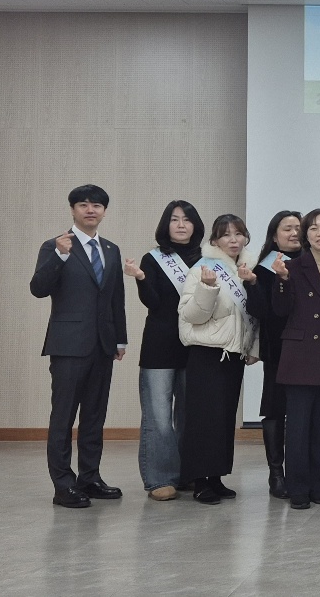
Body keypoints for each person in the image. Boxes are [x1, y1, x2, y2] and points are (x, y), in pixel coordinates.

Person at [29, 184, 128, 508]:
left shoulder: (111, 250)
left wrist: (120, 339)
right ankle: (63, 485)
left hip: (102, 345)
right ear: (72, 209)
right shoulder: (56, 245)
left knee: (94, 417)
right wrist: (59, 255)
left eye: (97, 205)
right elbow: (38, 288)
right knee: (63, 417)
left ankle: (90, 477)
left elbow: (116, 298)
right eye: (83, 204)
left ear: (104, 211)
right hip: (68, 344)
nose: (90, 210)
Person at [122, 199, 204, 502]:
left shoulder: (207, 259)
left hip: (196, 346)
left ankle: (186, 474)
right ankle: (160, 478)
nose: (180, 224)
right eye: (174, 219)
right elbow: (154, 304)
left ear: (195, 225)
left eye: (186, 219)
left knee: (189, 415)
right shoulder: (154, 258)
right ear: (165, 225)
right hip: (159, 345)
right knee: (158, 416)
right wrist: (142, 279)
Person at [176, 214, 259, 504]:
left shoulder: (246, 269)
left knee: (223, 420)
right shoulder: (203, 269)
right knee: (203, 420)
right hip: (207, 352)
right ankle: (199, 481)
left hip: (233, 354)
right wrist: (208, 288)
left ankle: (216, 476)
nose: (233, 240)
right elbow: (191, 315)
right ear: (214, 241)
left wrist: (252, 348)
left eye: (239, 234)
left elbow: (252, 316)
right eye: (226, 235)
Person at [268, 209, 320, 509]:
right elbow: (280, 309)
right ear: (305, 235)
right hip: (300, 355)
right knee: (298, 427)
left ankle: (317, 485)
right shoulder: (291, 266)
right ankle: (297, 487)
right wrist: (283, 280)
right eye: (313, 228)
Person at [250, 210, 302, 499]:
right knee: (275, 408)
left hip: (309, 349)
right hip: (278, 349)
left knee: (302, 410)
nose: (294, 233)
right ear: (274, 235)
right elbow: (258, 310)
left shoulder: (311, 263)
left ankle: (299, 470)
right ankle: (276, 472)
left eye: (298, 228)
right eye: (287, 229)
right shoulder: (264, 268)